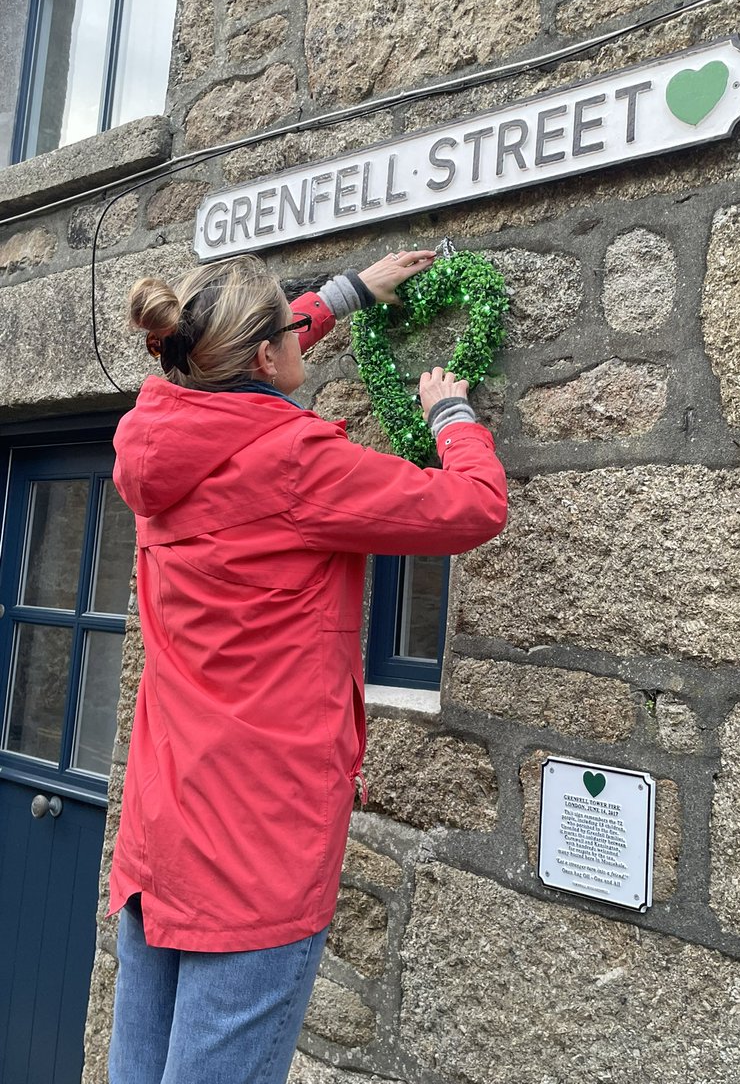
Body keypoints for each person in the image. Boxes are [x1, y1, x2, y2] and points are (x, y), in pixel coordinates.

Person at [107, 249, 507, 1084]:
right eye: (290, 328)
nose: (301, 329)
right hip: (255, 850)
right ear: (263, 356)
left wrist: (344, 295)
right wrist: (453, 415)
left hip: (162, 832)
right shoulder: (294, 460)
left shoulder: (159, 439)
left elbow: (234, 364)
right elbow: (473, 507)